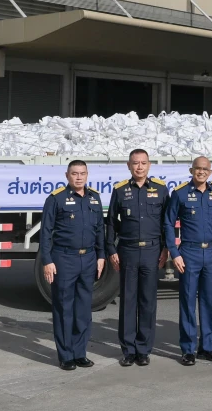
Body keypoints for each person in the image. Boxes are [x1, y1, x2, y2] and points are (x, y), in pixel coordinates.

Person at [106, 149, 169, 367]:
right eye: (135, 163)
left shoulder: (161, 190)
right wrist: (111, 250)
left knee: (148, 301)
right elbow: (111, 222)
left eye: (143, 163)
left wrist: (166, 249)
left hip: (152, 251)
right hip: (128, 251)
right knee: (128, 301)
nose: (139, 167)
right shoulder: (121, 190)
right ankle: (128, 350)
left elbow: (166, 223)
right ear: (128, 165)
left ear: (149, 165)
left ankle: (143, 349)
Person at [40, 160, 105, 370]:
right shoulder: (56, 199)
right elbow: (45, 233)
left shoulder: (94, 199)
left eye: (82, 173)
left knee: (84, 308)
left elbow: (100, 231)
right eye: (74, 174)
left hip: (88, 259)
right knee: (64, 307)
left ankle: (80, 352)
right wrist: (47, 261)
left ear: (87, 175)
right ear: (67, 175)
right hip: (64, 259)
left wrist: (101, 256)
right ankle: (66, 355)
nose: (79, 177)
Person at [163, 156, 212, 366]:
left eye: (205, 169)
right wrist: (174, 252)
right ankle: (188, 349)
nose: (201, 172)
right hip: (188, 253)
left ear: (210, 172)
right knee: (188, 302)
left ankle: (208, 347)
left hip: (210, 253)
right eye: (197, 169)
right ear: (191, 170)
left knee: (208, 301)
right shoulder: (180, 193)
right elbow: (168, 223)